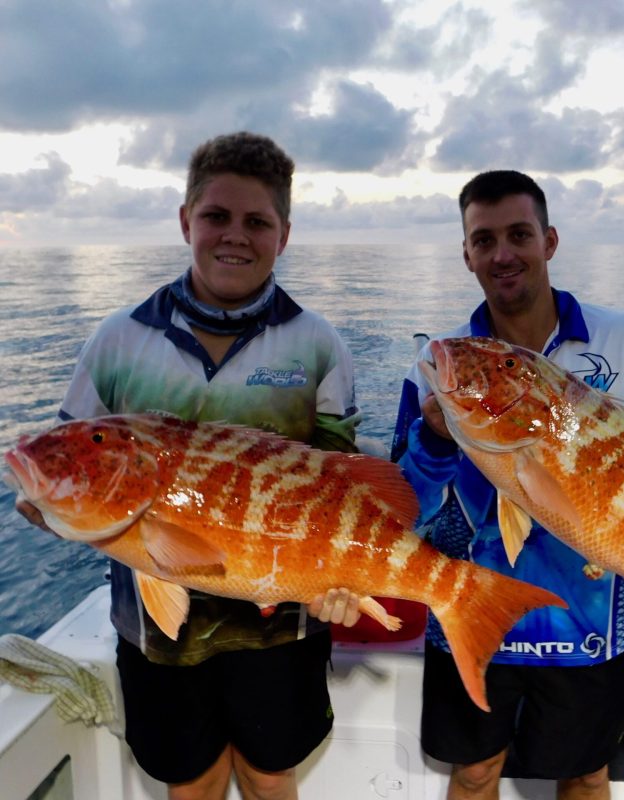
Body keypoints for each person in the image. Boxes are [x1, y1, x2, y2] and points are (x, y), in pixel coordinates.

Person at [16, 131, 362, 800]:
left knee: (270, 776)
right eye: (216, 217)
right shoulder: (117, 339)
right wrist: (51, 512)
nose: (235, 235)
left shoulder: (318, 343)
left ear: (283, 234)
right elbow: (73, 465)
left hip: (282, 625)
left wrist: (341, 575)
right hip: (156, 637)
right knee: (190, 782)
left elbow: (338, 481)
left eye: (256, 221)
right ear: (186, 221)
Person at [390, 170, 624, 800]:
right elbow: (404, 508)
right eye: (484, 239)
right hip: (475, 612)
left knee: (585, 774)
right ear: (467, 254)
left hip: (594, 618)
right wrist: (437, 439)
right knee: (473, 773)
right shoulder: (437, 366)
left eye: (519, 234)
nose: (503, 253)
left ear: (549, 241)